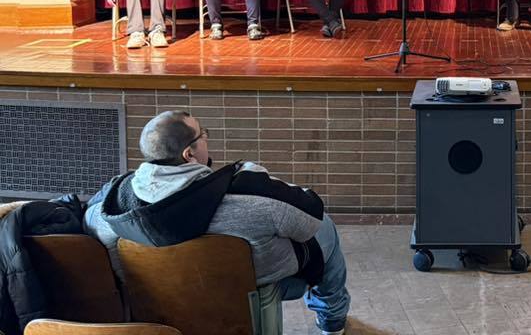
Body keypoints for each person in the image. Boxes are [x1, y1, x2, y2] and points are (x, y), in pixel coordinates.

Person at [83, 111, 350, 335]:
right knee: (325, 227)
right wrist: (263, 179)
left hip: (155, 290)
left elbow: (91, 233)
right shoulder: (248, 191)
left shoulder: (111, 204)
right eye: (203, 135)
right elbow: (309, 220)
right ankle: (332, 321)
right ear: (189, 154)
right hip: (247, 284)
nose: (206, 139)